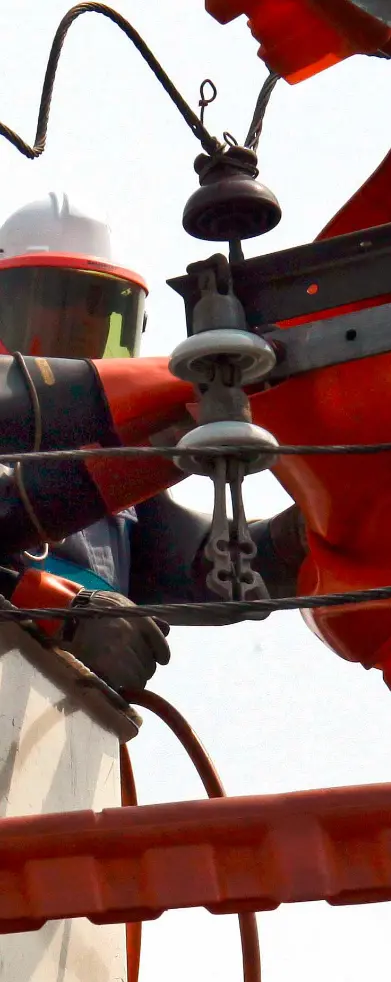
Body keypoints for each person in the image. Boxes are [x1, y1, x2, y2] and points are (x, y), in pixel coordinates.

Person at [0, 193, 306, 693]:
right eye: (47, 323)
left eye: (96, 331)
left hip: (70, 731)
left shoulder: (117, 484)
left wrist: (292, 542)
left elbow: (198, 565)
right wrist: (58, 611)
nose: (70, 353)